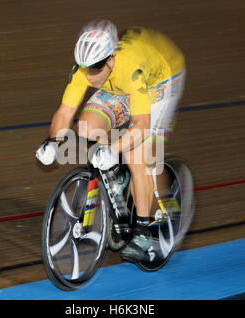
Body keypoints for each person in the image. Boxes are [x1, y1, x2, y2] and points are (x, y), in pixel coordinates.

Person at [36, 19, 186, 265]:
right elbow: (65, 112)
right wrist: (52, 142)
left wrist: (113, 149)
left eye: (96, 68)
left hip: (160, 82)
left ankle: (144, 230)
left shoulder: (131, 68)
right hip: (118, 86)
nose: (90, 75)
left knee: (140, 157)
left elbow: (142, 126)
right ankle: (117, 183)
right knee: (86, 128)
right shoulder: (86, 69)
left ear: (110, 59)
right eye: (85, 68)